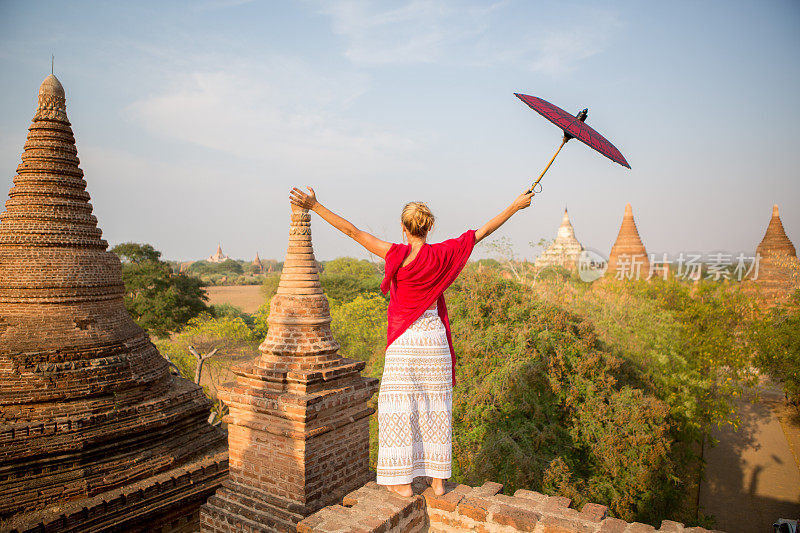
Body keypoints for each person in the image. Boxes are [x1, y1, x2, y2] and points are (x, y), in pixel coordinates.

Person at [288, 186, 535, 497]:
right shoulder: (443, 252)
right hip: (435, 342)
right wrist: (515, 205)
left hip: (406, 342)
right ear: (428, 227)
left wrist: (314, 205)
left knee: (400, 408)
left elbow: (351, 231)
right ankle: (438, 482)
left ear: (403, 228)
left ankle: (402, 482)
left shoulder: (397, 254)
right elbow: (482, 231)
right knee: (436, 407)